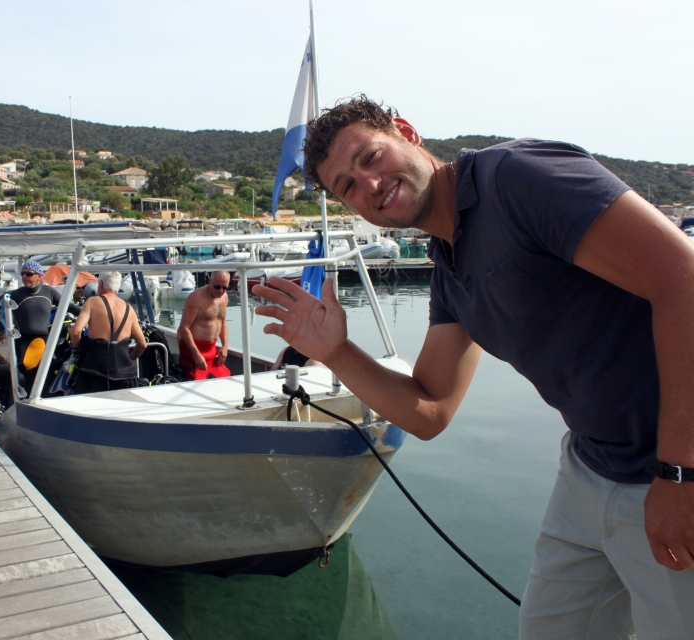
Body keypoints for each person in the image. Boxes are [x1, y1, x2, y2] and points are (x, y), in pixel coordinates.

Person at [253, 95, 694, 638]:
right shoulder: (450, 263)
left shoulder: (515, 178)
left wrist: (679, 472)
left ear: (406, 132)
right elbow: (431, 410)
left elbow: (684, 280)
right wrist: (337, 353)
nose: (368, 184)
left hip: (671, 470)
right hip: (590, 467)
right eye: (348, 186)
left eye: (369, 157)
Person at [69, 271, 146, 394]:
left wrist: (77, 350)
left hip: (96, 369)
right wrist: (128, 360)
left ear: (101, 284)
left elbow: (76, 332)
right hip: (124, 372)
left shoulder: (92, 302)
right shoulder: (129, 308)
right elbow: (142, 344)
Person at [177, 270, 231, 380]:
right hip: (193, 348)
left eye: (224, 287)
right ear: (210, 280)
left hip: (211, 349)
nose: (221, 291)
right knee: (197, 381)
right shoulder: (197, 297)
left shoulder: (224, 297)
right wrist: (196, 355)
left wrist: (225, 346)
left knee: (225, 378)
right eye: (217, 287)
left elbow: (222, 322)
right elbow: (184, 328)